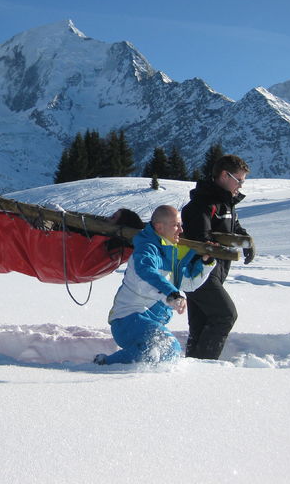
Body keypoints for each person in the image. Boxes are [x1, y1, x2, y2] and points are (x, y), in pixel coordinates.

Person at [93, 205, 214, 365]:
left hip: (148, 321)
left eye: (181, 225)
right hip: (128, 320)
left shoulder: (171, 253)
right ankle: (106, 365)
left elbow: (189, 283)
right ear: (159, 227)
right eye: (176, 225)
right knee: (168, 348)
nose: (181, 230)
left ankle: (108, 363)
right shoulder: (146, 250)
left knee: (160, 352)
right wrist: (171, 294)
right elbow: (147, 274)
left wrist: (206, 263)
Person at [180, 154, 255, 360]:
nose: (240, 185)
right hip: (198, 273)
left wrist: (246, 241)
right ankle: (205, 366)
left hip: (215, 272)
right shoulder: (200, 205)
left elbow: (233, 228)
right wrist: (211, 250)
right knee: (225, 315)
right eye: (238, 180)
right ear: (224, 175)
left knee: (201, 324)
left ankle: (194, 366)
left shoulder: (226, 204)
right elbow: (200, 241)